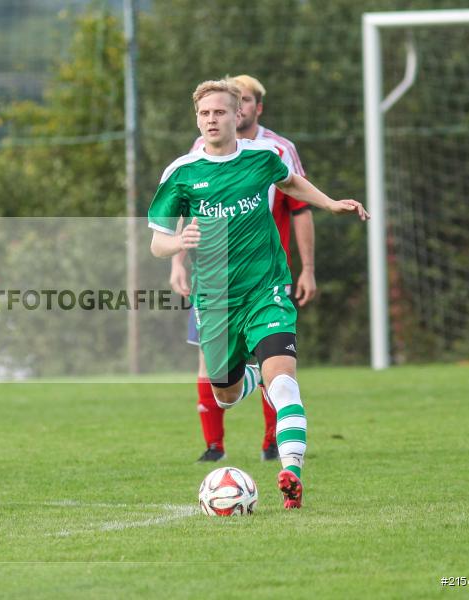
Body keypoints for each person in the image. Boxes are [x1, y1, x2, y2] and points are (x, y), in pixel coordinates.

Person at [148, 79, 368, 509]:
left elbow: (292, 184)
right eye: (205, 113)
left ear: (238, 116)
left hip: (267, 290)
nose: (212, 119)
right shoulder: (181, 173)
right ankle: (251, 379)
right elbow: (157, 242)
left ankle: (291, 472)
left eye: (220, 112)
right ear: (197, 119)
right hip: (215, 302)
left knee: (284, 382)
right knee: (224, 395)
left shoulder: (264, 156)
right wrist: (179, 242)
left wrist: (330, 204)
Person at [170, 74, 316, 463]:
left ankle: (275, 444)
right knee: (217, 374)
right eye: (206, 112)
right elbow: (186, 212)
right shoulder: (198, 151)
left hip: (264, 278)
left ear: (250, 108)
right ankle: (214, 444)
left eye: (246, 101)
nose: (214, 117)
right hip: (214, 281)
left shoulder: (277, 150)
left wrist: (308, 267)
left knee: (279, 370)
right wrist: (177, 262)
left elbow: (298, 205)